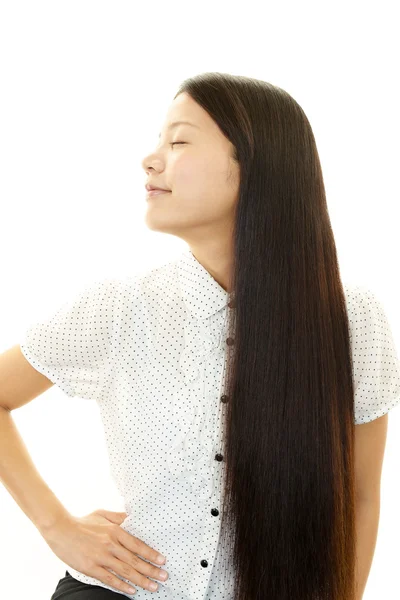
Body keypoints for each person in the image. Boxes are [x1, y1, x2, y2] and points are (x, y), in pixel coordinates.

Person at [1, 72, 400, 600]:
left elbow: (358, 495)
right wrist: (58, 528)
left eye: (179, 140)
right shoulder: (119, 307)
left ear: (255, 165)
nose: (151, 159)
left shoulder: (351, 318)